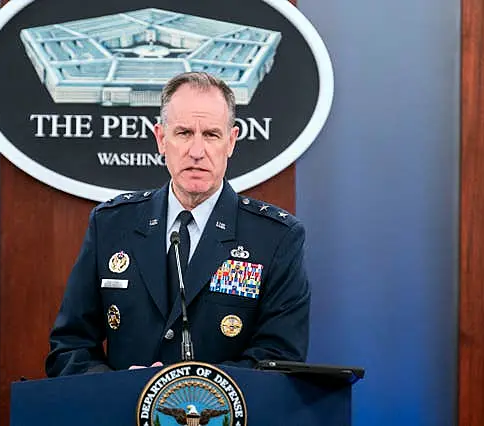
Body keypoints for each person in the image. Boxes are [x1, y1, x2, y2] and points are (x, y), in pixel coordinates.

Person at [45, 72, 311, 376]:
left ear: (231, 142)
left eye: (211, 135)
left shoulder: (275, 238)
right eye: (184, 133)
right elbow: (69, 347)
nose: (197, 152)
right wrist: (121, 389)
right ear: (161, 138)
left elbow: (279, 360)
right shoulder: (111, 225)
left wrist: (185, 392)